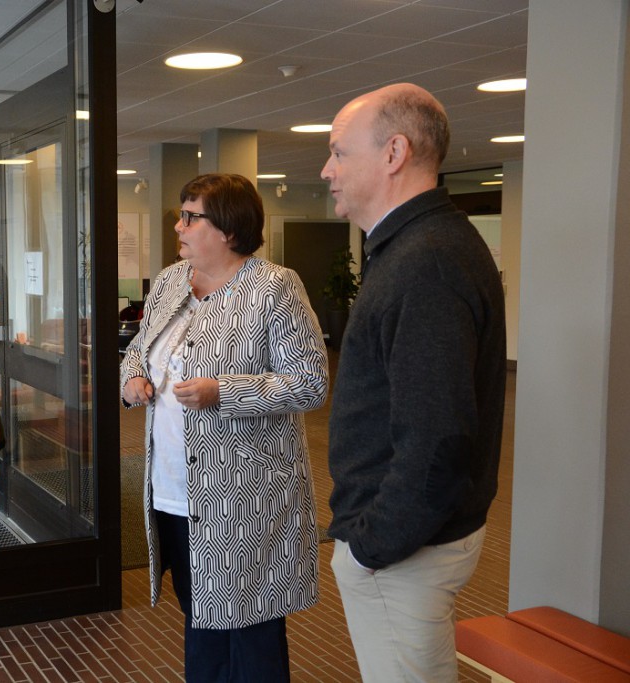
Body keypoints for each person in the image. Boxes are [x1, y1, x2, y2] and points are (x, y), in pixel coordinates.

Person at [321, 83, 507, 682]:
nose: (327, 170)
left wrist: (369, 549)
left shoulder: (425, 260)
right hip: (409, 543)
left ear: (394, 153)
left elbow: (436, 441)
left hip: (403, 553)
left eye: (339, 152)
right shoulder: (418, 246)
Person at [119, 173, 328, 682]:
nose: (179, 224)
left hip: (244, 499)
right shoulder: (171, 281)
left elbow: (311, 382)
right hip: (174, 489)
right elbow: (135, 351)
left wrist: (224, 393)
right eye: (181, 213)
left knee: (251, 633)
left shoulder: (273, 287)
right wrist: (134, 380)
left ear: (229, 230)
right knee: (201, 621)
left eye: (192, 217)